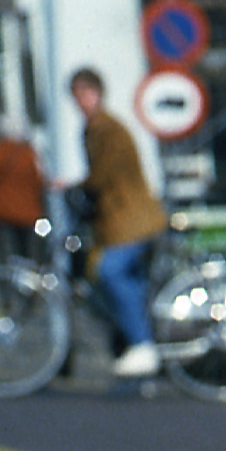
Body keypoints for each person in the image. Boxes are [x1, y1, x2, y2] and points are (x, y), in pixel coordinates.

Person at [65, 68, 166, 380]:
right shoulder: (94, 127)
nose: (82, 101)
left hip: (131, 218)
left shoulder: (107, 128)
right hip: (119, 220)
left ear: (99, 92)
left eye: (86, 93)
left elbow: (104, 174)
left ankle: (142, 345)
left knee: (108, 273)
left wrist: (73, 185)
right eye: (77, 95)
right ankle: (139, 346)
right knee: (128, 282)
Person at [0, 115, 48, 265]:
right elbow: (39, 181)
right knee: (29, 254)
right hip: (29, 212)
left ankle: (10, 286)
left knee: (7, 255)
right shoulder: (30, 154)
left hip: (2, 212)